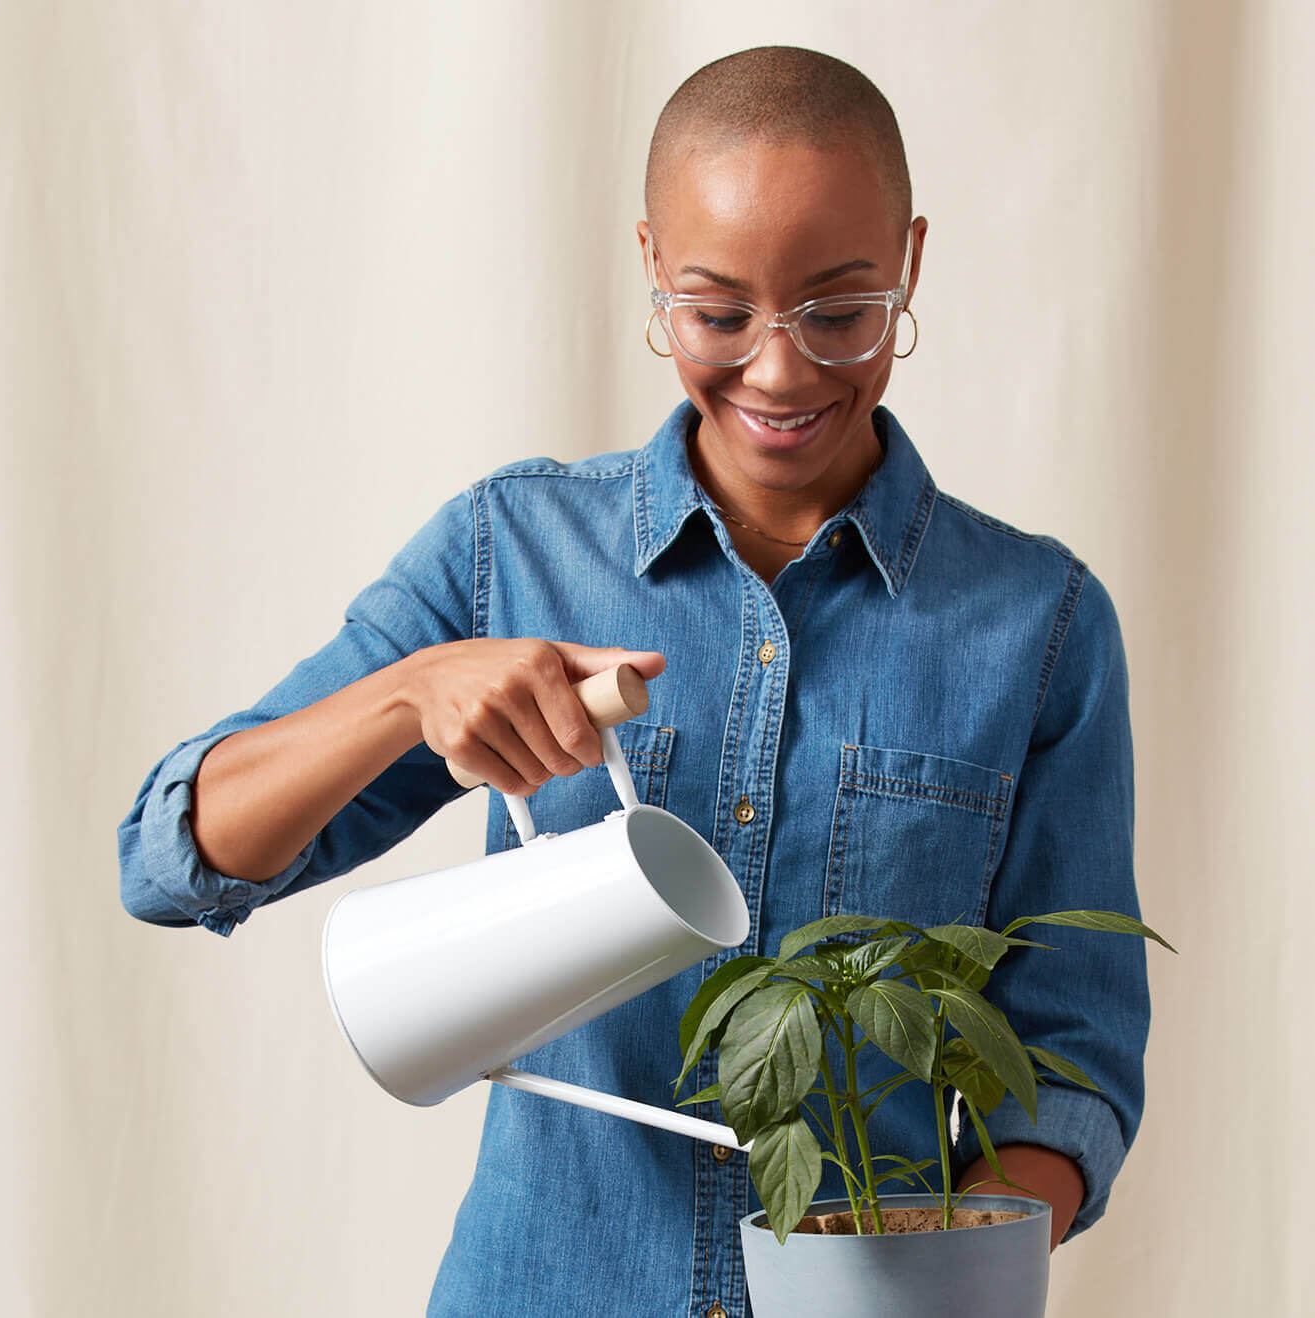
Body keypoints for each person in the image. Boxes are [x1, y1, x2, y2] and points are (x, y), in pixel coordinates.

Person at [118, 46, 1150, 1317]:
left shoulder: (1039, 623)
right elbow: (171, 859)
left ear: (909, 261)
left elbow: (1070, 1051)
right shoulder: (511, 550)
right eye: (718, 315)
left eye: (839, 313)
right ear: (654, 263)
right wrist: (410, 691)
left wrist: (939, 1265)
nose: (778, 371)